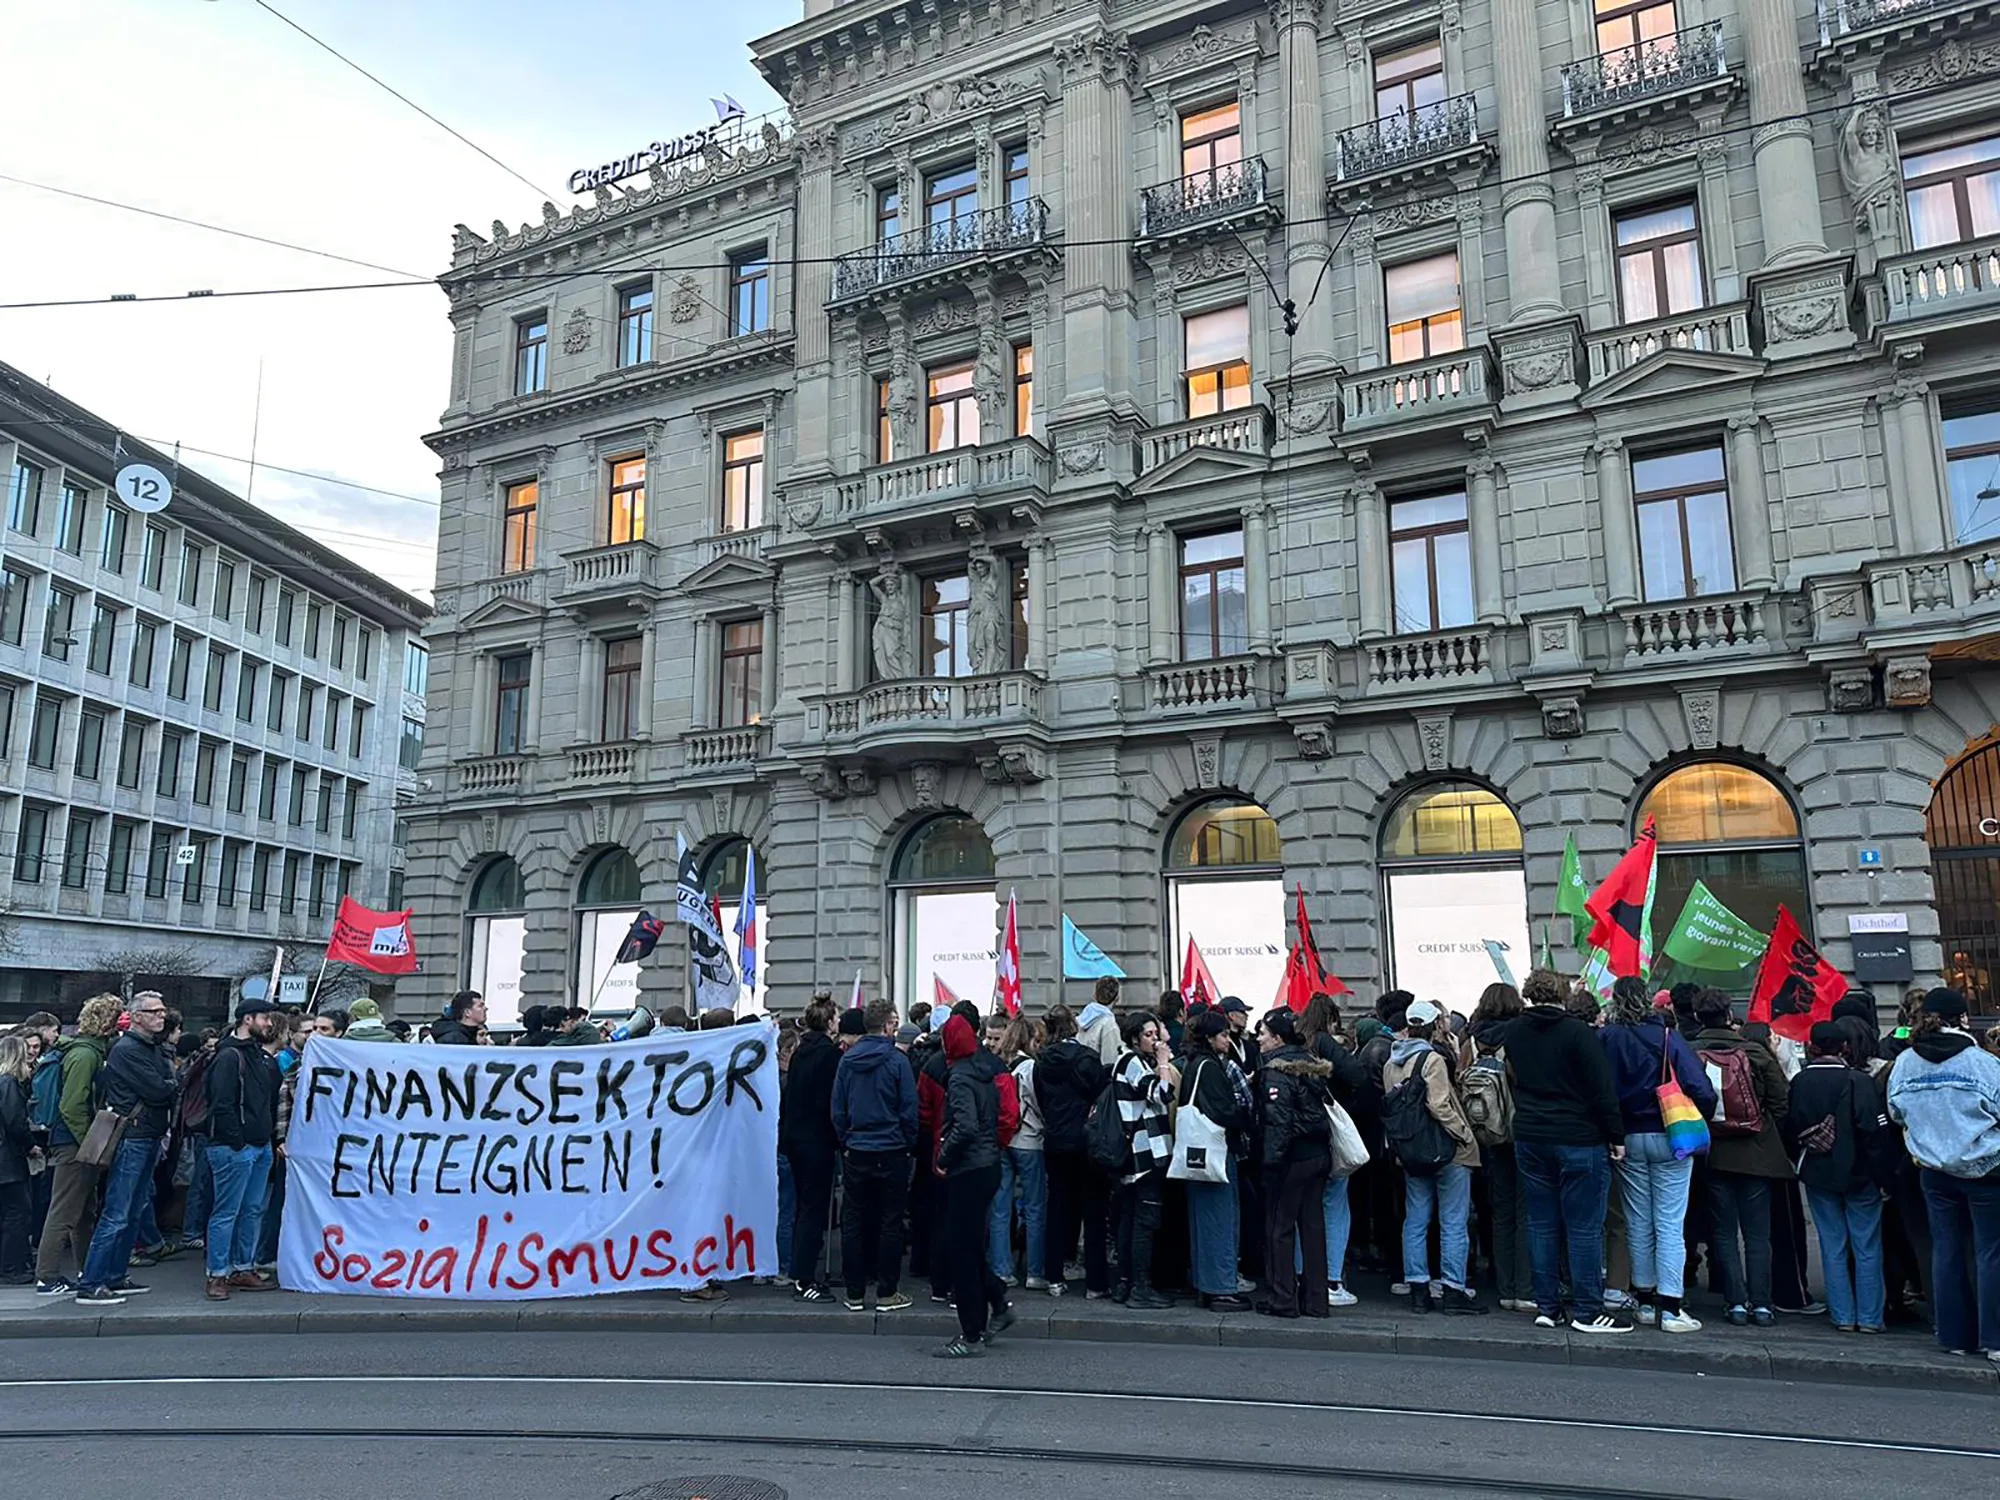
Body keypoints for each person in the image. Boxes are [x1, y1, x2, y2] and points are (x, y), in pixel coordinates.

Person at [1507, 968, 1627, 1333]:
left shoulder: (1514, 1031)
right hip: (1578, 1135)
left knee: (1541, 1223)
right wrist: (1615, 1135)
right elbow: (1601, 1089)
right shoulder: (1577, 1033)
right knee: (1583, 1228)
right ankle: (1588, 1311)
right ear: (1562, 994)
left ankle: (1548, 1306)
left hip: (1530, 1134)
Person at [1886, 986, 2000, 1360]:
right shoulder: (1983, 1062)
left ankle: (1954, 1336)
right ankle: (1995, 1339)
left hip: (1933, 1169)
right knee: (1991, 1252)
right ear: (1962, 1019)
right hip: (1986, 1168)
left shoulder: (1904, 1063)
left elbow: (1896, 1113)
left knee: (1945, 1249)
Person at [1600, 976, 1717, 1333]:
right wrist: (1702, 1115)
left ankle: (1646, 1302)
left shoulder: (1605, 1038)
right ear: (1647, 1000)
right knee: (1669, 1221)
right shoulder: (1667, 1036)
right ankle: (1671, 1307)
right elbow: (1701, 1087)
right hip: (1670, 1134)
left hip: (1628, 1136)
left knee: (1637, 1220)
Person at [1691, 988, 1793, 1328]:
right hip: (1756, 1152)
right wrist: (1762, 1129)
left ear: (1697, 1018)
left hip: (1712, 1151)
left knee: (1723, 1232)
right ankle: (1762, 1304)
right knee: (1757, 1233)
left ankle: (1735, 1302)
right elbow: (1781, 1102)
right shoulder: (1755, 1052)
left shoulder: (1691, 1052)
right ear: (1729, 1016)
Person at [74, 991, 178, 1307]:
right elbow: (161, 1090)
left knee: (133, 1211)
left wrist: (169, 1082)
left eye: (163, 1011)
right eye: (155, 1011)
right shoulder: (127, 1049)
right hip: (133, 1137)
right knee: (117, 1213)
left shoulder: (151, 1048)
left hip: (148, 1135)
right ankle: (91, 1282)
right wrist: (171, 1082)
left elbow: (168, 1086)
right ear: (137, 1016)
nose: (162, 1016)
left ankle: (115, 1276)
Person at [1787, 1021, 1891, 1335]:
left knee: (1832, 1244)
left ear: (1812, 1047)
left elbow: (1790, 1125)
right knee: (1867, 1245)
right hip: (1860, 1173)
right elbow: (1874, 1132)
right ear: (1844, 1048)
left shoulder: (1800, 1082)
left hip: (1818, 1172)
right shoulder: (1858, 1081)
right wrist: (1883, 1175)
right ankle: (1870, 1317)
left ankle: (1842, 1314)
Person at [1383, 1000, 1484, 1315]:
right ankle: (1453, 1290)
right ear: (1432, 1025)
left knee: (1416, 1219)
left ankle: (1418, 1289)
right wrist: (1464, 1134)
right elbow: (1439, 1105)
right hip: (1445, 1148)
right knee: (1453, 1221)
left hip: (1411, 1150)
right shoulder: (1432, 1058)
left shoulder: (1392, 1061)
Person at [832, 997, 918, 1313]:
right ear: (885, 1026)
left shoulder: (847, 1061)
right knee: (890, 1221)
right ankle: (886, 1291)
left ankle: (854, 1291)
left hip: (857, 1148)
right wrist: (907, 1142)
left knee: (853, 1220)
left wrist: (846, 1140)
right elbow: (909, 1109)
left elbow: (837, 1109)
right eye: (893, 1023)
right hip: (892, 1148)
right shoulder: (897, 1062)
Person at [935, 1014, 1012, 1357]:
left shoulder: (960, 1078)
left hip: (968, 1169)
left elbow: (964, 1127)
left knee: (961, 1253)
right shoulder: (985, 1070)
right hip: (988, 1164)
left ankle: (971, 1334)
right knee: (968, 1245)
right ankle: (997, 1300)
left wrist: (944, 1156)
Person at [35, 994, 121, 1296]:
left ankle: (86, 1269)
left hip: (70, 1140)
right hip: (74, 1142)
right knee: (65, 1211)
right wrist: (90, 1143)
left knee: (83, 1210)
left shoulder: (80, 1050)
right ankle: (47, 1276)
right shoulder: (85, 1055)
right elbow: (72, 1106)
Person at [202, 997, 283, 1300]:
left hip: (258, 1146)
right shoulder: (229, 1057)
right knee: (227, 1212)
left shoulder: (261, 1059)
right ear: (247, 1020)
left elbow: (270, 1101)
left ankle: (242, 1267)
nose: (268, 1024)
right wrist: (237, 1140)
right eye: (264, 1018)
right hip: (234, 1147)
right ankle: (217, 1274)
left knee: (250, 1211)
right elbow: (221, 1104)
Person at [1256, 1009, 1334, 1318]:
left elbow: (1278, 1123)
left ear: (1277, 1038)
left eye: (1262, 1033)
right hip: (1318, 1155)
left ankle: (1283, 1299)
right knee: (1313, 1229)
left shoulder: (1277, 1071)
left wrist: (1270, 1164)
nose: (1258, 1039)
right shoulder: (1312, 1066)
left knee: (1280, 1229)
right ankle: (1317, 1301)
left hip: (1291, 1158)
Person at [1035, 1004, 1110, 1298]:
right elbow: (1100, 1097)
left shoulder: (1042, 1062)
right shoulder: (1087, 1059)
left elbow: (1042, 1100)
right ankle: (1096, 1282)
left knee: (1057, 1208)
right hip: (1086, 1141)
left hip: (1055, 1140)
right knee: (1094, 1212)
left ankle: (1053, 1277)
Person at [1297, 994, 1367, 1307]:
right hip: (1328, 1134)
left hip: (1298, 1138)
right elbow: (1356, 1075)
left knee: (1302, 1209)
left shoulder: (1295, 1043)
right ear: (1330, 1019)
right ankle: (1331, 1280)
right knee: (1335, 1205)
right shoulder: (1326, 1043)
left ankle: (1301, 1274)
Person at [1180, 1009, 1251, 1311]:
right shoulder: (1210, 1066)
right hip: (1216, 1153)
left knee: (1205, 1220)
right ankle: (1221, 1289)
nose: (1227, 1038)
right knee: (1221, 1219)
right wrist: (1245, 1116)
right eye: (1223, 1034)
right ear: (1210, 1038)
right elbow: (1223, 1110)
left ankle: (1207, 1285)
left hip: (1199, 1152)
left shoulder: (1195, 1064)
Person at [1466, 982, 1531, 1311]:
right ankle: (1525, 1288)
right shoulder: (1519, 1035)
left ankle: (1504, 1287)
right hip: (1518, 1127)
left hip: (1485, 1133)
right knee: (1525, 1211)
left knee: (1500, 1210)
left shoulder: (1471, 1037)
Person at [1110, 1011, 1178, 1309]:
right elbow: (1163, 1094)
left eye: (1155, 1034)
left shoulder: (1128, 1061)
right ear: (1135, 1037)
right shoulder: (1133, 1063)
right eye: (1148, 1035)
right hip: (1145, 1156)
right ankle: (1141, 1287)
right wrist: (1163, 1063)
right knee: (1144, 1222)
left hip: (1138, 1156)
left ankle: (1126, 1283)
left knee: (1130, 1219)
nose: (1155, 1040)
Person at [779, 996, 840, 1302]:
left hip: (797, 1139)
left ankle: (802, 1273)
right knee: (813, 1211)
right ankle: (804, 1278)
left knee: (805, 1208)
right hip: (817, 1141)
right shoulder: (828, 1055)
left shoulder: (802, 1051)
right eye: (836, 1018)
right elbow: (829, 1102)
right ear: (829, 1023)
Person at [991, 1014, 1048, 1292]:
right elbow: (1040, 1104)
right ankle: (1035, 1272)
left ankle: (1002, 1270)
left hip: (1002, 1140)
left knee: (1000, 1208)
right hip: (1029, 1141)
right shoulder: (1030, 1068)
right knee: (1035, 1207)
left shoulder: (997, 1066)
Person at [0, 1035, 37, 1284]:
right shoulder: (10, 1083)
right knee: (17, 1212)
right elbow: (15, 1122)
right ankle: (12, 1267)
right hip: (8, 1159)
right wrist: (30, 1145)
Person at [1077, 977, 1121, 1067]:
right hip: (1096, 1075)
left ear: (1095, 995)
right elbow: (1110, 1061)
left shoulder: (1080, 1019)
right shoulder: (1109, 1024)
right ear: (1117, 998)